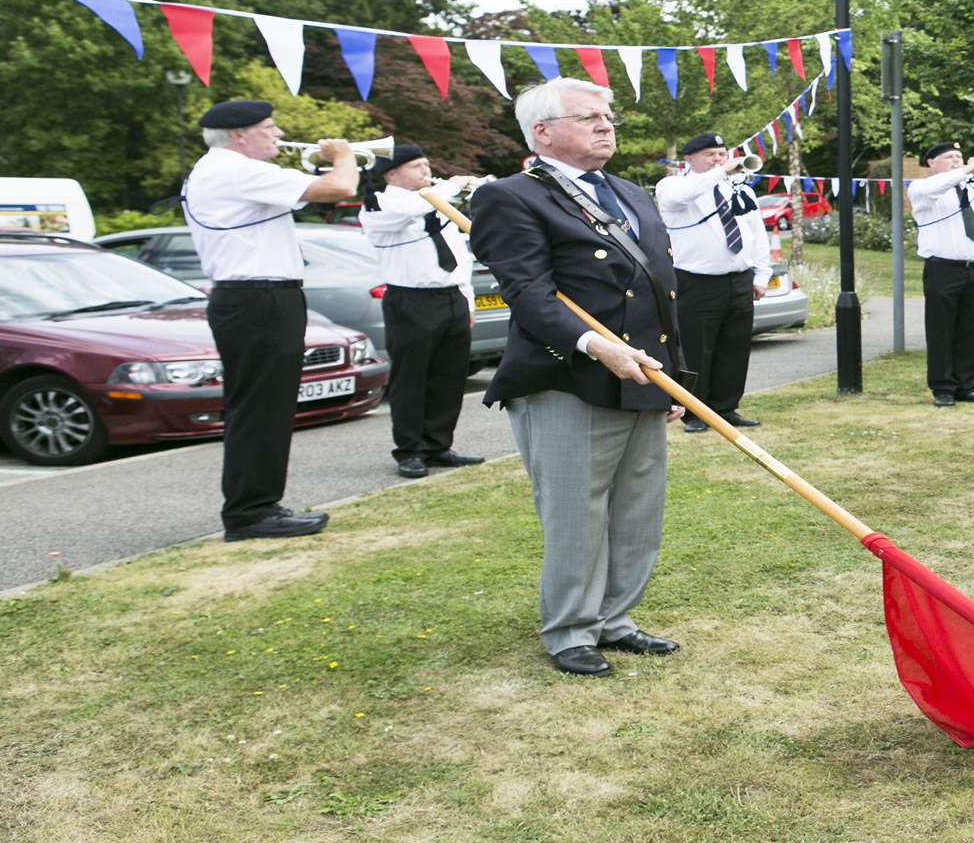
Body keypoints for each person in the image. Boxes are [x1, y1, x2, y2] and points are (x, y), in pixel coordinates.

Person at [468, 78, 687, 677]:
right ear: (542, 132)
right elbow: (530, 296)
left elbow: (659, 289)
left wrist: (675, 378)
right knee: (576, 510)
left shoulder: (629, 192)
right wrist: (596, 346)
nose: (605, 125)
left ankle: (615, 619)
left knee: (638, 507)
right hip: (567, 377)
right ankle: (570, 629)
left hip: (640, 375)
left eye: (607, 115)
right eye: (588, 117)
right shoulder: (509, 196)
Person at [182, 100, 359, 540]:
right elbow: (340, 187)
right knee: (262, 407)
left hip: (259, 298)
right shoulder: (235, 170)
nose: (278, 134)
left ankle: (258, 505)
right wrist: (342, 154)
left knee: (267, 406)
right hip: (256, 298)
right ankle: (249, 512)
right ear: (239, 135)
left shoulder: (230, 170)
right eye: (269, 127)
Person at [357, 144, 487, 478]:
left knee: (449, 376)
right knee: (411, 378)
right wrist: (455, 184)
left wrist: (467, 301)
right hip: (410, 300)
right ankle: (409, 450)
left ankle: (438, 445)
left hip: (450, 297)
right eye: (417, 166)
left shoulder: (435, 201)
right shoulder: (381, 204)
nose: (425, 171)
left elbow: (459, 256)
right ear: (392, 173)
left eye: (427, 164)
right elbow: (413, 208)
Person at [655, 133, 772, 434]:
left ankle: (726, 407)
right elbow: (680, 197)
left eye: (722, 154)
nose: (719, 160)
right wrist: (719, 172)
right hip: (696, 281)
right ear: (689, 159)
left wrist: (760, 275)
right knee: (696, 349)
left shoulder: (738, 189)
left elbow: (756, 232)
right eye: (710, 155)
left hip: (738, 278)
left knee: (734, 347)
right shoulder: (673, 185)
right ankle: (693, 412)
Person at [907, 141, 974, 408]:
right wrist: (967, 168)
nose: (956, 160)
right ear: (932, 163)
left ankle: (966, 386)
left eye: (959, 156)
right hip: (943, 269)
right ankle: (942, 388)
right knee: (941, 330)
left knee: (973, 329)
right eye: (950, 157)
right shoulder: (923, 189)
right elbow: (937, 184)